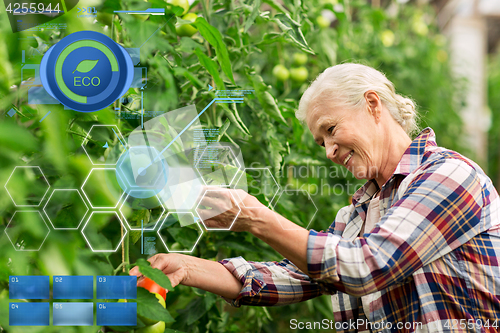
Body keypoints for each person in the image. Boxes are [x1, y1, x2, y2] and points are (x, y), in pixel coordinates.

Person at [130, 63, 500, 332]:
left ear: (373, 105)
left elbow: (370, 266)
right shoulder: (354, 218)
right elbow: (292, 277)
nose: (328, 150)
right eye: (321, 141)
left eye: (331, 129)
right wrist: (186, 267)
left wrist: (256, 217)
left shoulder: (448, 175)